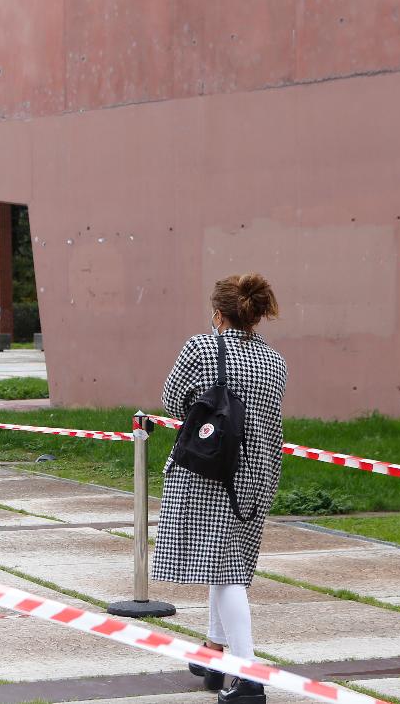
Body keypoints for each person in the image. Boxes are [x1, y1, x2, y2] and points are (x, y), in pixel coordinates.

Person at [151, 274, 286, 704]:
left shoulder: (201, 347)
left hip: (209, 472)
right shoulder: (275, 361)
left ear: (218, 312)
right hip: (257, 474)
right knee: (225, 561)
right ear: (258, 314)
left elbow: (173, 400)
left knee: (225, 571)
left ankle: (248, 677)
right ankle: (213, 652)